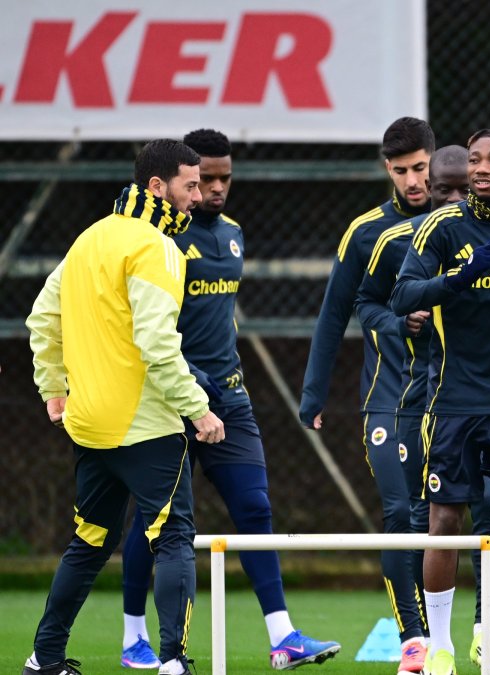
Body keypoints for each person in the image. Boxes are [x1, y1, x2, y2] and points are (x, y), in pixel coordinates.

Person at [117, 129, 340, 671]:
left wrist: (224, 374)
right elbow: (146, 324)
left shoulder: (236, 234)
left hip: (230, 398)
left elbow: (220, 316)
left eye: (223, 178)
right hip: (172, 398)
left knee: (255, 508)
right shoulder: (160, 239)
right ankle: (133, 638)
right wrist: (192, 380)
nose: (214, 189)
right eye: (204, 179)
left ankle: (283, 638)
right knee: (157, 521)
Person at [23, 139, 227, 675]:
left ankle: (44, 659)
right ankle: (173, 661)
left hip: (89, 425)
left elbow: (42, 319)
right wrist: (198, 408)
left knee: (87, 544)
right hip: (148, 429)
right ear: (157, 186)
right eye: (190, 185)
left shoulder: (89, 239)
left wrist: (53, 389)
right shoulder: (156, 247)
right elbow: (158, 344)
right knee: (174, 539)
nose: (198, 196)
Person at [356, 145, 490, 674]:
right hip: (450, 399)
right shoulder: (440, 228)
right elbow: (401, 297)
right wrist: (460, 277)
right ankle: (439, 645)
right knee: (444, 519)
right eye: (476, 160)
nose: (482, 169)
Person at [297, 118, 435, 671]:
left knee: (446, 517)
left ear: (432, 160)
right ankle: (412, 640)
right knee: (399, 513)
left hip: (449, 398)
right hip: (386, 396)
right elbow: (335, 313)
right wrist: (314, 394)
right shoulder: (365, 233)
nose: (413, 181)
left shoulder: (458, 224)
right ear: (388, 171)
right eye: (401, 172)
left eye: (420, 168)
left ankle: (475, 633)